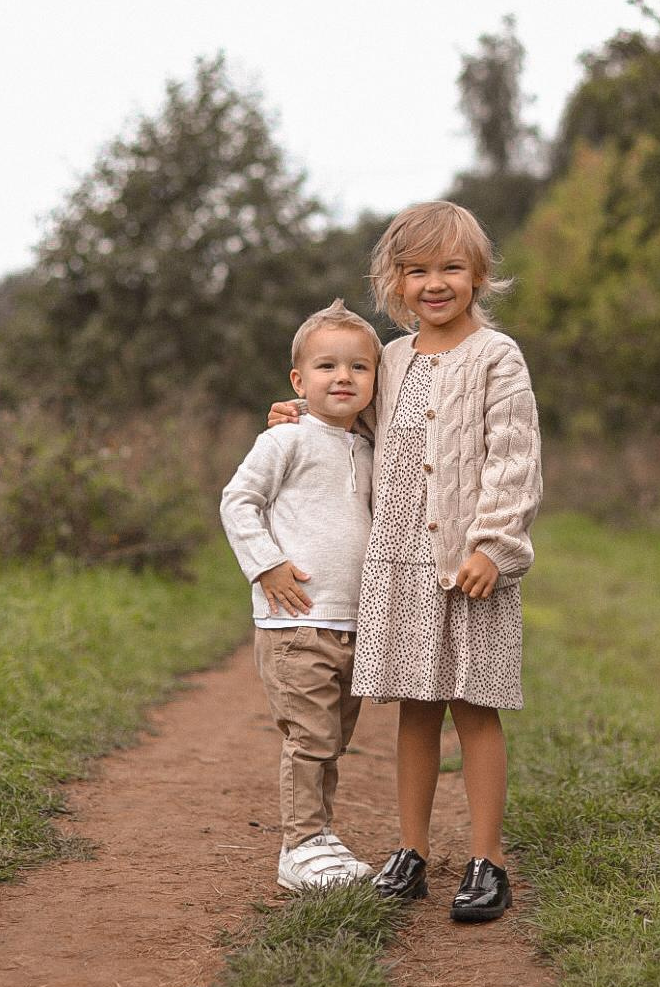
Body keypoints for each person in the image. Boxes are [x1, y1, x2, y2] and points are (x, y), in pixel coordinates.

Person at [271, 202, 541, 922]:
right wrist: (300, 413)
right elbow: (356, 420)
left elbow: (514, 460)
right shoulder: (391, 358)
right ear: (395, 281)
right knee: (415, 711)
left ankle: (488, 859)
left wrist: (495, 545)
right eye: (417, 270)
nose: (435, 283)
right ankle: (412, 852)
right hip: (397, 564)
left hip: (467, 565)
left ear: (478, 274)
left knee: (473, 708)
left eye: (451, 267)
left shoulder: (497, 356)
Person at [220, 298, 381, 892]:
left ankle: (320, 836)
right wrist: (266, 566)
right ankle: (299, 846)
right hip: (296, 623)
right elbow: (238, 502)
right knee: (309, 737)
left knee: (332, 737)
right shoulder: (283, 441)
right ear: (298, 380)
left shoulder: (366, 448)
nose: (343, 377)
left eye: (359, 368)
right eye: (326, 367)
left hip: (351, 623)